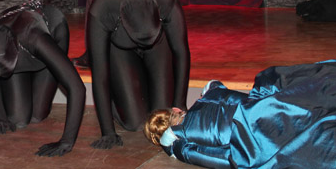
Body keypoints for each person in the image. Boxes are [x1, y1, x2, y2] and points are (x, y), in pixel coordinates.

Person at [144, 61, 336, 169]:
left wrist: (173, 148)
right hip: (264, 111)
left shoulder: (188, 134)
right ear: (176, 110)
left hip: (257, 135)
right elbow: (218, 87)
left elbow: (220, 158)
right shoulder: (211, 95)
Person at [88, 0, 190, 149]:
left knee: (161, 115)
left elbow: (181, 53)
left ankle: (143, 90)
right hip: (120, 50)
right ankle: (118, 96)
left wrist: (180, 103)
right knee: (134, 123)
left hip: (158, 47)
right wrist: (107, 131)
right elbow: (99, 74)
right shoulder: (103, 6)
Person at [0, 1, 86, 157]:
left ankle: (30, 80)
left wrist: (66, 142)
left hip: (48, 36)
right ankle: (7, 93)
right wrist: (1, 118)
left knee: (37, 115)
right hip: (16, 53)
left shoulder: (36, 38)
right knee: (18, 120)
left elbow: (77, 87)